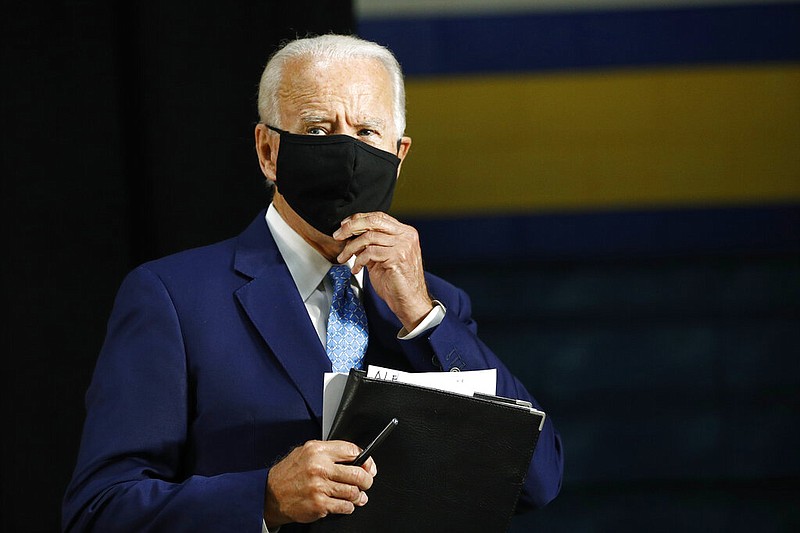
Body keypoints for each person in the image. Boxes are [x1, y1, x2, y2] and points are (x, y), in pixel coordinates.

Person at [62, 34, 563, 532]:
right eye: (319, 130)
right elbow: (99, 511)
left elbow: (534, 481)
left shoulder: (437, 305)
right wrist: (263, 499)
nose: (347, 152)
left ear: (400, 153)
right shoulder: (172, 299)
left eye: (367, 132)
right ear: (267, 151)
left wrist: (423, 318)